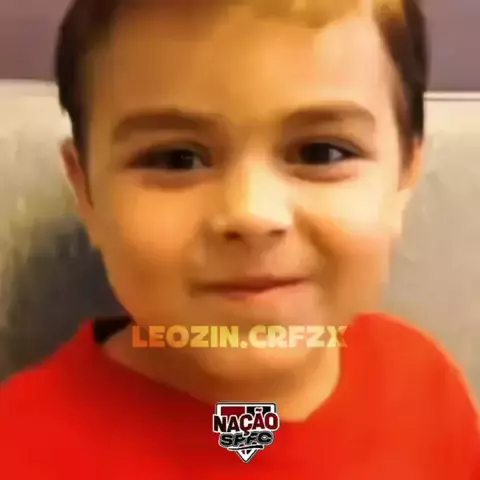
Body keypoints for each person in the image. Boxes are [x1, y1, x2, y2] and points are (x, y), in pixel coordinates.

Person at [1, 0, 479, 478]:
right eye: (176, 160)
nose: (253, 214)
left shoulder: (425, 386)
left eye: (322, 152)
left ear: (404, 178)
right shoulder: (20, 450)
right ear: (86, 191)